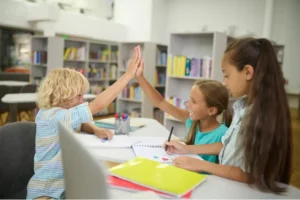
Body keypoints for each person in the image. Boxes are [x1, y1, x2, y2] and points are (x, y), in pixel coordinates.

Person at [164, 38, 292, 193]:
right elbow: (227, 146)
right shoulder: (244, 106)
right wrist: (187, 149)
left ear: (247, 72)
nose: (224, 82)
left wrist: (200, 164)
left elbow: (249, 175)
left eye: (226, 75)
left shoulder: (258, 117)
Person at [27, 46, 142, 199]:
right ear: (64, 96)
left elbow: (80, 123)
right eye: (79, 96)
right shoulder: (52, 116)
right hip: (46, 192)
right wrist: (127, 76)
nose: (83, 101)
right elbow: (98, 105)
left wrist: (95, 129)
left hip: (62, 185)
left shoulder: (61, 114)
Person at [135, 59, 230, 164]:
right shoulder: (192, 121)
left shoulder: (223, 134)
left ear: (211, 110)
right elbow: (160, 102)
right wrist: (140, 77)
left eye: (193, 101)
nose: (187, 104)